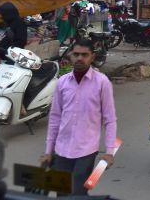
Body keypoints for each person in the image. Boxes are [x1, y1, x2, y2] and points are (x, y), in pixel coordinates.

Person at [42, 39, 117, 195]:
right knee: (61, 193)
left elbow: (110, 119)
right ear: (70, 56)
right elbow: (55, 117)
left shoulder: (102, 82)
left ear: (92, 57)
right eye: (76, 54)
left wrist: (109, 152)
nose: (80, 58)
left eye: (85, 55)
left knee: (78, 192)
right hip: (61, 149)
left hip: (87, 150)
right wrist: (49, 151)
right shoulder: (62, 82)